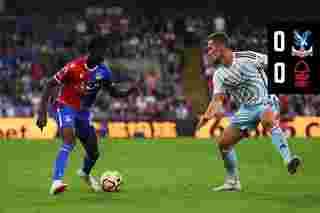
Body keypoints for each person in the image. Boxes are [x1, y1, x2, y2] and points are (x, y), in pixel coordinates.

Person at [197, 32, 302, 192]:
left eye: (211, 49)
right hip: (246, 109)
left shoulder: (247, 57)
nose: (208, 52)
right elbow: (217, 99)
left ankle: (289, 160)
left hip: (265, 100)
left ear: (221, 48)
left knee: (267, 119)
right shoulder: (219, 74)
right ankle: (233, 182)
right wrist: (206, 117)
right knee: (223, 144)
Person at [36, 36, 137, 195]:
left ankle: (84, 173)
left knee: (93, 152)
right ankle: (56, 182)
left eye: (105, 51)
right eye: (101, 51)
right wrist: (41, 112)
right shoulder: (74, 67)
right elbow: (50, 83)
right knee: (69, 140)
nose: (104, 55)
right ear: (92, 51)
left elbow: (113, 92)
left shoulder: (104, 72)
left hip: (83, 113)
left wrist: (127, 92)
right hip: (66, 106)